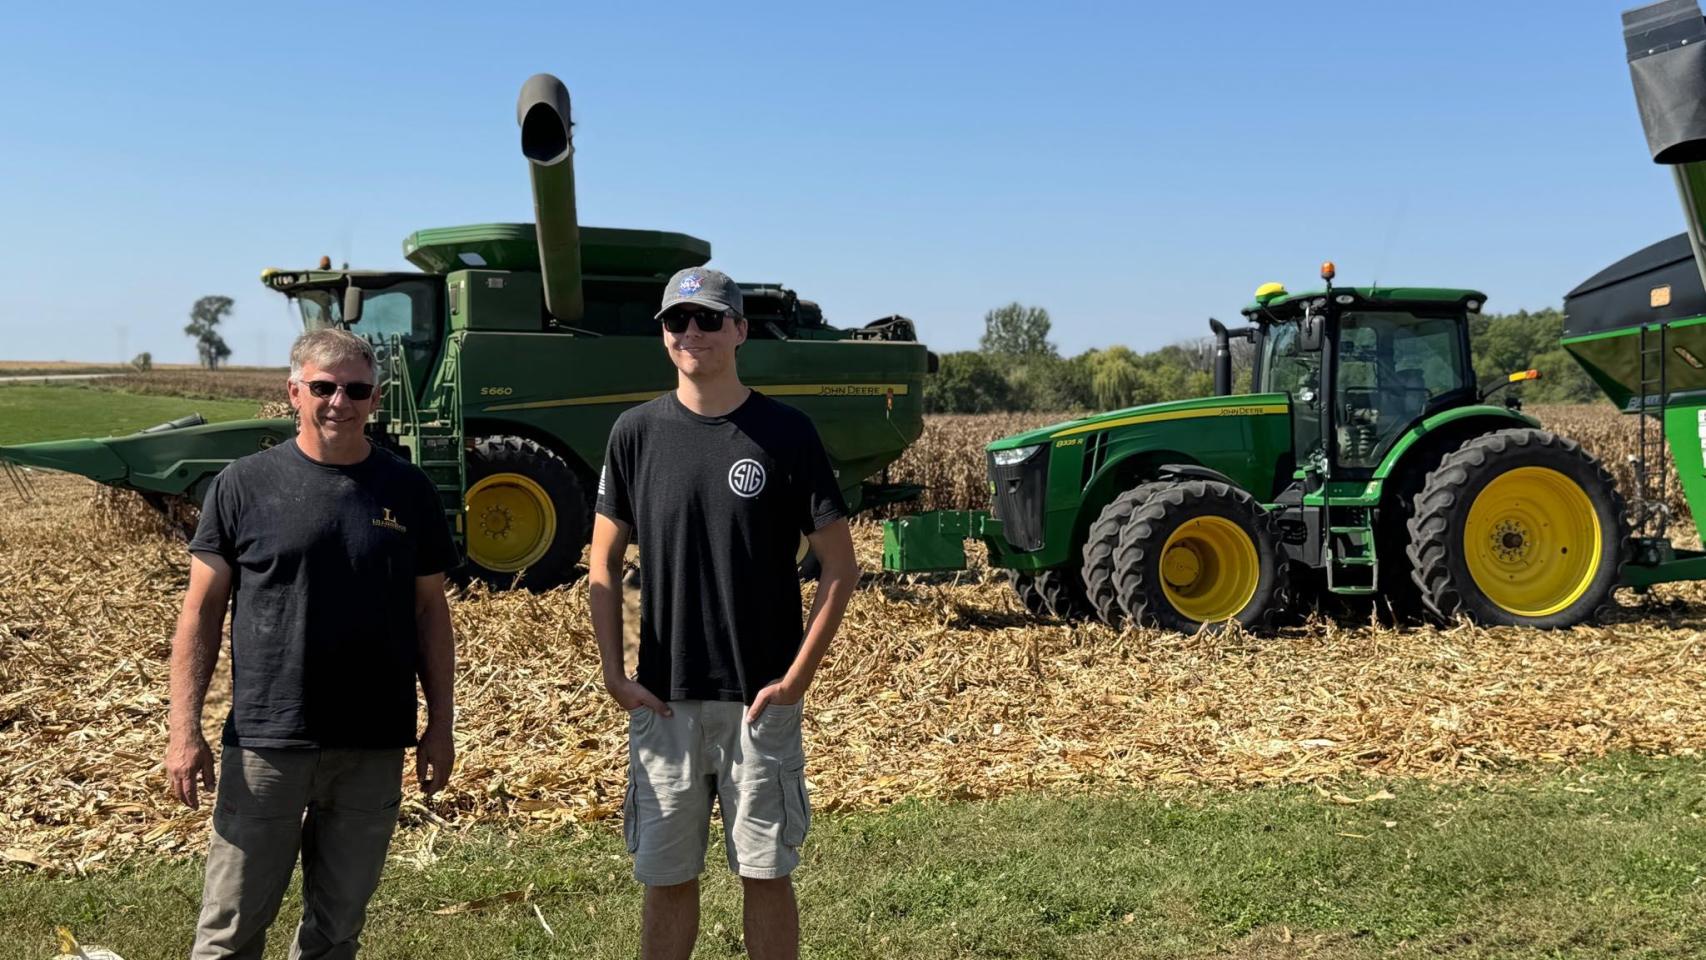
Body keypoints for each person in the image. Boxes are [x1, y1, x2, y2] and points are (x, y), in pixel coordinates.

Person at [589, 267, 859, 960]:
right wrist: (616, 675)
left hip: (758, 702)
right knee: (667, 879)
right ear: (663, 335)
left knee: (765, 875)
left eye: (709, 319)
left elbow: (840, 567)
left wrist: (795, 680)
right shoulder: (635, 434)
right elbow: (602, 565)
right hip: (664, 703)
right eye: (677, 321)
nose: (692, 333)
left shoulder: (786, 433)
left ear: (740, 330)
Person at [165, 328, 457, 959]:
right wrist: (184, 730)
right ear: (293, 391)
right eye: (323, 387)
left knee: (336, 932)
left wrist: (441, 726)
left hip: (373, 741)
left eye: (355, 389)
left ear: (375, 398)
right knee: (231, 929)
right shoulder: (243, 486)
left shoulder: (408, 491)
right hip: (270, 742)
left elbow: (431, 613)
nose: (339, 402)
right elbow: (201, 612)